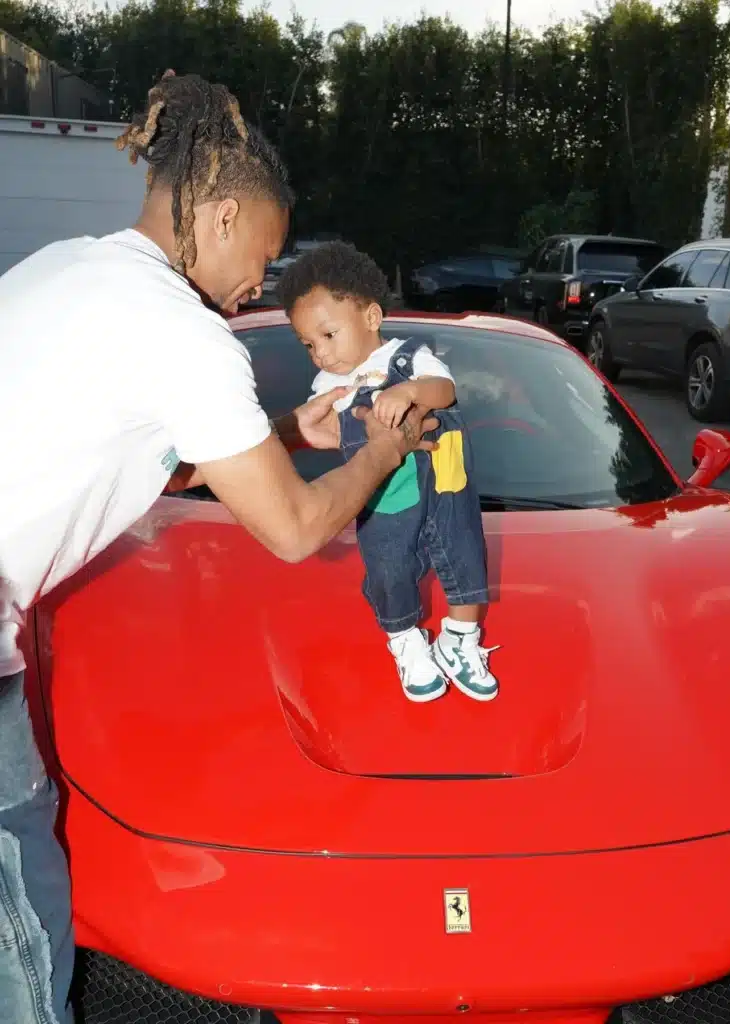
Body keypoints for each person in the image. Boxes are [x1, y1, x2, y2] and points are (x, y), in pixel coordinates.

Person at [0, 72, 438, 1024]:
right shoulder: (178, 328)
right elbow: (294, 529)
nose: (262, 284)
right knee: (20, 920)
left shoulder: (66, 270)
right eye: (267, 255)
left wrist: (287, 434)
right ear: (225, 212)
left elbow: (168, 467)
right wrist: (386, 447)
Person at [277, 241, 500, 704]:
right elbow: (345, 440)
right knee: (388, 564)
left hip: (444, 477)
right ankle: (404, 638)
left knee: (465, 552)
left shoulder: (409, 355)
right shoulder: (328, 388)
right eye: (308, 345)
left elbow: (444, 392)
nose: (319, 353)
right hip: (386, 492)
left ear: (372, 318)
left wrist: (411, 392)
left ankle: (459, 639)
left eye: (328, 335)